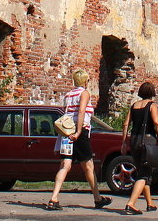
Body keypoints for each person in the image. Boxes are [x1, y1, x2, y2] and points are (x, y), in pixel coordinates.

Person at [45, 69, 112, 211]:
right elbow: (81, 111)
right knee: (88, 167)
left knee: (65, 165)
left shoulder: (69, 95)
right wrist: (79, 131)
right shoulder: (84, 93)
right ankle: (97, 199)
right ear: (85, 81)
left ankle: (54, 198)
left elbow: (66, 112)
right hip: (79, 132)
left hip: (66, 132)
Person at [121, 82, 158, 215]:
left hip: (134, 140)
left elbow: (126, 124)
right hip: (148, 141)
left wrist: (124, 142)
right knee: (144, 174)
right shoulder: (152, 105)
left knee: (143, 170)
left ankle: (150, 203)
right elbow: (156, 122)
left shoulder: (134, 106)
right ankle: (131, 204)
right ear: (152, 92)